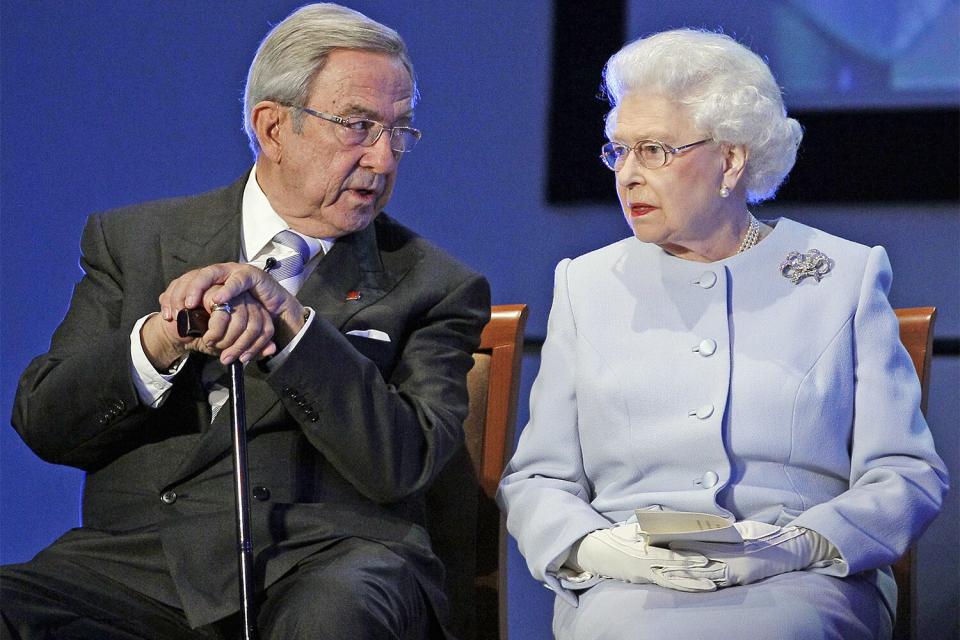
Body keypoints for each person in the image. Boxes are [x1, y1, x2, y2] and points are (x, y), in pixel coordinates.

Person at [2, 4, 489, 639]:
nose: (384, 158)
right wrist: (159, 339)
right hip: (139, 564)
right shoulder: (135, 241)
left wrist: (293, 328)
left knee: (335, 616)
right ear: (273, 126)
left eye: (399, 131)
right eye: (358, 126)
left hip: (329, 559)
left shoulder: (433, 285)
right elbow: (46, 425)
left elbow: (404, 463)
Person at [497, 28, 948, 640]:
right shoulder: (587, 283)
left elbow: (905, 473)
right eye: (617, 150)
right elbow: (538, 479)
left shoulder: (842, 275)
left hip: (800, 583)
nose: (627, 174)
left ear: (731, 159)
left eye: (653, 150)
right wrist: (603, 552)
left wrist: (798, 545)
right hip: (629, 588)